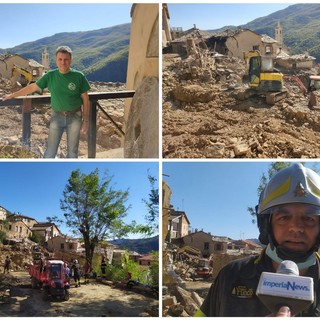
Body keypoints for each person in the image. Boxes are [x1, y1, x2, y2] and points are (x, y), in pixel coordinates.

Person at [195, 163, 320, 317]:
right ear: (266, 224)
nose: (296, 227)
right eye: (284, 217)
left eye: (308, 218)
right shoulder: (231, 275)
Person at [1, 45, 91, 158]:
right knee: (50, 152)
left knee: (73, 152)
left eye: (66, 59)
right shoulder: (50, 75)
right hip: (57, 117)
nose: (63, 62)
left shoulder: (79, 76)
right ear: (56, 60)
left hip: (75, 117)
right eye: (60, 59)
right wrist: (12, 95)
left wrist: (86, 121)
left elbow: (86, 99)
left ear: (71, 60)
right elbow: (32, 87)